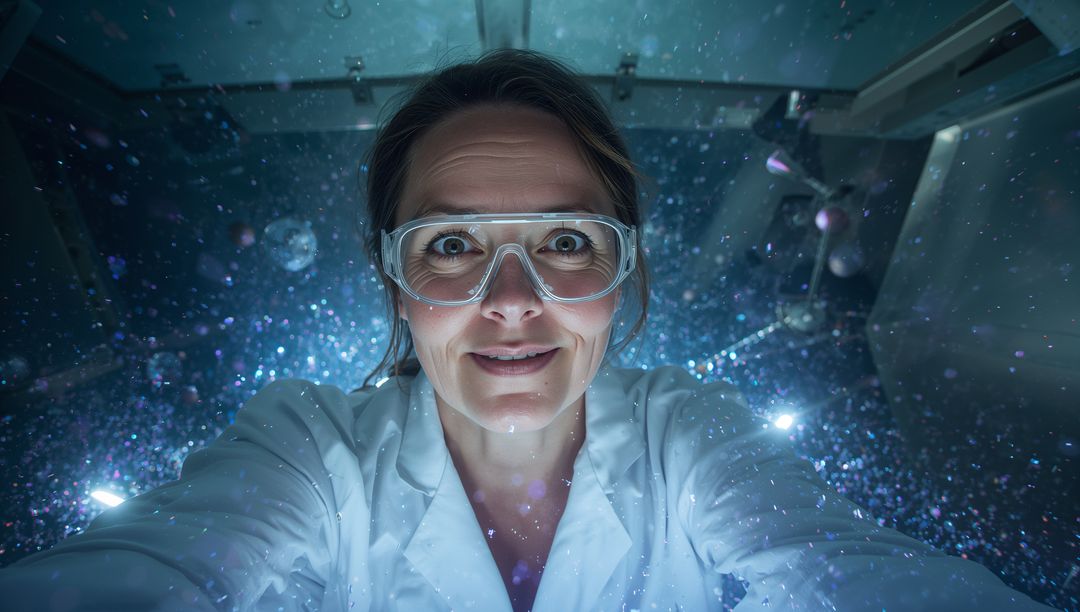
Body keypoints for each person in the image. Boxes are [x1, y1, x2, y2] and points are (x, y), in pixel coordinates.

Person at [0, 50, 1054, 612]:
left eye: (564, 240)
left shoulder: (688, 430)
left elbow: (848, 573)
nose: (512, 298)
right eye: (452, 248)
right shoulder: (304, 444)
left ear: (621, 270)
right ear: (396, 280)